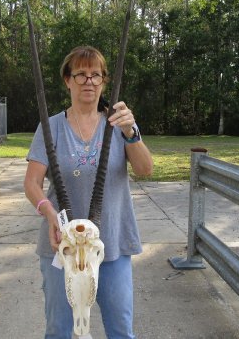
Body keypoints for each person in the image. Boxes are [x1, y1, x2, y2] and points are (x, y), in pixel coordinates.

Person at [24, 46, 153, 339]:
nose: (89, 81)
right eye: (81, 74)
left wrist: (132, 133)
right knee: (58, 329)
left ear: (105, 81)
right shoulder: (51, 127)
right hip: (63, 245)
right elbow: (32, 183)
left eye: (96, 75)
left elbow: (145, 169)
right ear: (67, 80)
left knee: (121, 329)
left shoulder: (119, 124)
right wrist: (48, 211)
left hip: (113, 241)